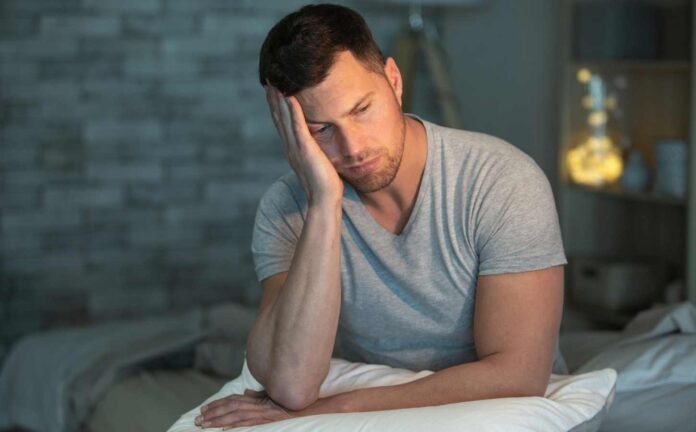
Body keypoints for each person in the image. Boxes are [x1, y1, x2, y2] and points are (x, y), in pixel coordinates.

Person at [194, 3, 566, 429]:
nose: (352, 148)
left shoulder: (502, 181)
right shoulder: (289, 208)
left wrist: (342, 407)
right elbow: (291, 385)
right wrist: (323, 203)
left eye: (361, 110)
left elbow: (518, 375)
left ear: (393, 79)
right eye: (321, 130)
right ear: (291, 132)